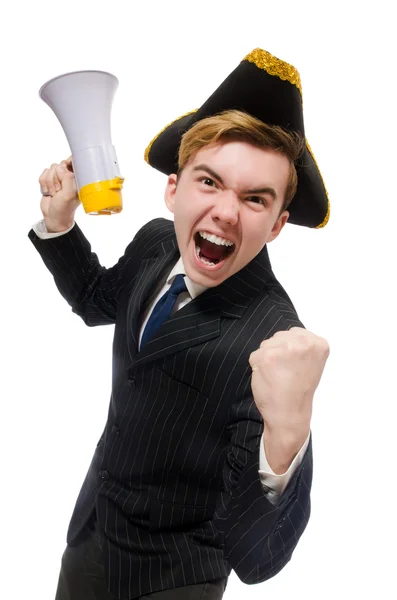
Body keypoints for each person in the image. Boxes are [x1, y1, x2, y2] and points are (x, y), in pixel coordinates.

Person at [29, 48, 330, 600]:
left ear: (279, 223)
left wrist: (288, 437)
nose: (225, 212)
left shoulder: (273, 342)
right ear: (175, 188)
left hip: (174, 578)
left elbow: (258, 558)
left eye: (255, 198)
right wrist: (59, 224)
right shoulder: (154, 243)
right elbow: (98, 301)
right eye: (209, 182)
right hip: (94, 535)